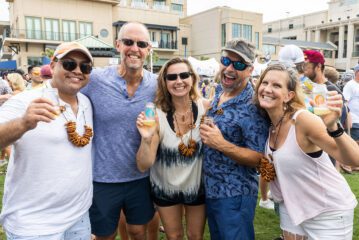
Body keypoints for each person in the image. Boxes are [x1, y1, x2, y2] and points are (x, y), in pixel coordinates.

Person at [0, 41, 94, 239]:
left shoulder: (86, 103)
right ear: (52, 66)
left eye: (85, 67)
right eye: (69, 64)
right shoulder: (25, 101)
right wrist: (24, 123)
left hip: (79, 217)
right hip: (33, 225)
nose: (77, 70)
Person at [254, 63, 359, 239]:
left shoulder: (303, 121)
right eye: (264, 83)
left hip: (327, 211)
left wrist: (334, 126)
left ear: (289, 96)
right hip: (292, 207)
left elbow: (355, 159)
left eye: (276, 85)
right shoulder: (268, 124)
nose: (267, 89)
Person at [81, 21, 157, 240]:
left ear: (148, 49)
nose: (135, 48)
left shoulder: (156, 84)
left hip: (140, 177)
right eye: (128, 42)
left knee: (137, 231)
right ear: (118, 45)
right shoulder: (95, 80)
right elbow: (66, 91)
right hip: (103, 178)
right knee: (104, 234)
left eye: (141, 43)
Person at [200, 38, 269, 239]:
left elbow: (260, 158)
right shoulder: (220, 91)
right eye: (226, 60)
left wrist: (221, 144)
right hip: (211, 190)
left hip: (235, 195)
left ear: (250, 70)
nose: (229, 68)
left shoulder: (254, 105)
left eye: (238, 64)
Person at [136, 57, 209, 240]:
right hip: (166, 188)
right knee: (174, 236)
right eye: (172, 77)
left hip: (196, 187)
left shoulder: (205, 107)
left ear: (192, 78)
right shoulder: (156, 115)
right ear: (164, 82)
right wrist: (146, 138)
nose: (179, 81)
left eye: (184, 75)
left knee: (195, 236)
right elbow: (143, 165)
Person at [343, 64, 359, 145]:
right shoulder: (350, 85)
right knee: (354, 147)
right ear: (357, 72)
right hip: (354, 123)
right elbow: (344, 104)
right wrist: (347, 120)